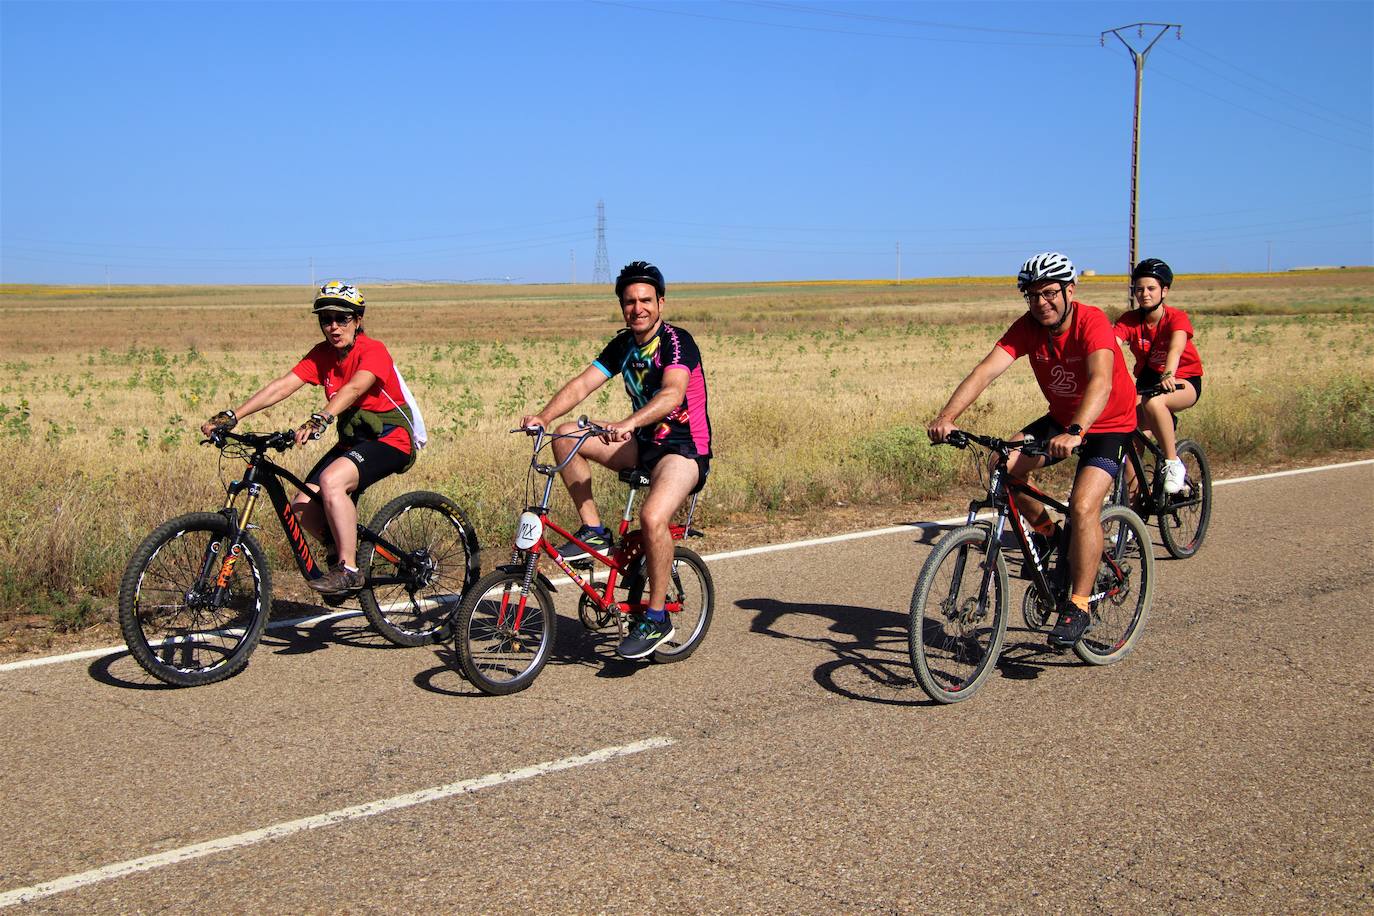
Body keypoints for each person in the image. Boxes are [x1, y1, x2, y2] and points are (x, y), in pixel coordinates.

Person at [926, 252, 1137, 649]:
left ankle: (1079, 605)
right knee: (1001, 464)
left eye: (1050, 293)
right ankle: (1050, 536)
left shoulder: (1092, 323)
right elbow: (985, 371)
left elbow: (1101, 382)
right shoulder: (1028, 327)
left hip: (1108, 424)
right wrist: (947, 416)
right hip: (1062, 419)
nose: (1042, 303)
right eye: (1033, 295)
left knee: (1083, 505)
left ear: (1069, 290)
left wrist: (1077, 430)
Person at [520, 260, 712, 660]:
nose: (637, 308)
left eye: (645, 300)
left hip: (682, 450)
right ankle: (593, 531)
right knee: (566, 436)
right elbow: (582, 384)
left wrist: (628, 422)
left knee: (653, 519)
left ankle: (657, 617)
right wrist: (544, 416)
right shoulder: (623, 344)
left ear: (661, 302)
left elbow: (671, 395)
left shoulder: (678, 343)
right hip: (643, 444)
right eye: (629, 302)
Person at [200, 281, 417, 594]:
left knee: (331, 481)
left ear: (358, 320)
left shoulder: (374, 350)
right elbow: (282, 385)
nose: (333, 326)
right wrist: (233, 415)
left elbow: (354, 387)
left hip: (390, 437)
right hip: (354, 440)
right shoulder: (322, 354)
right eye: (325, 319)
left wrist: (322, 417)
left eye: (342, 318)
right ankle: (342, 546)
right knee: (302, 506)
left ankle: (349, 569)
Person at [1114, 258, 1204, 495]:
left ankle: (1173, 463)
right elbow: (1110, 346)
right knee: (1129, 440)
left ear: (1164, 291)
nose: (1144, 294)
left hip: (1182, 381)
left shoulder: (1176, 318)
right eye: (1139, 289)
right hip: (1147, 382)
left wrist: (1169, 373)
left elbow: (1175, 348)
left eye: (1151, 288)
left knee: (1155, 402)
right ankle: (1132, 518)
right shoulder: (1129, 320)